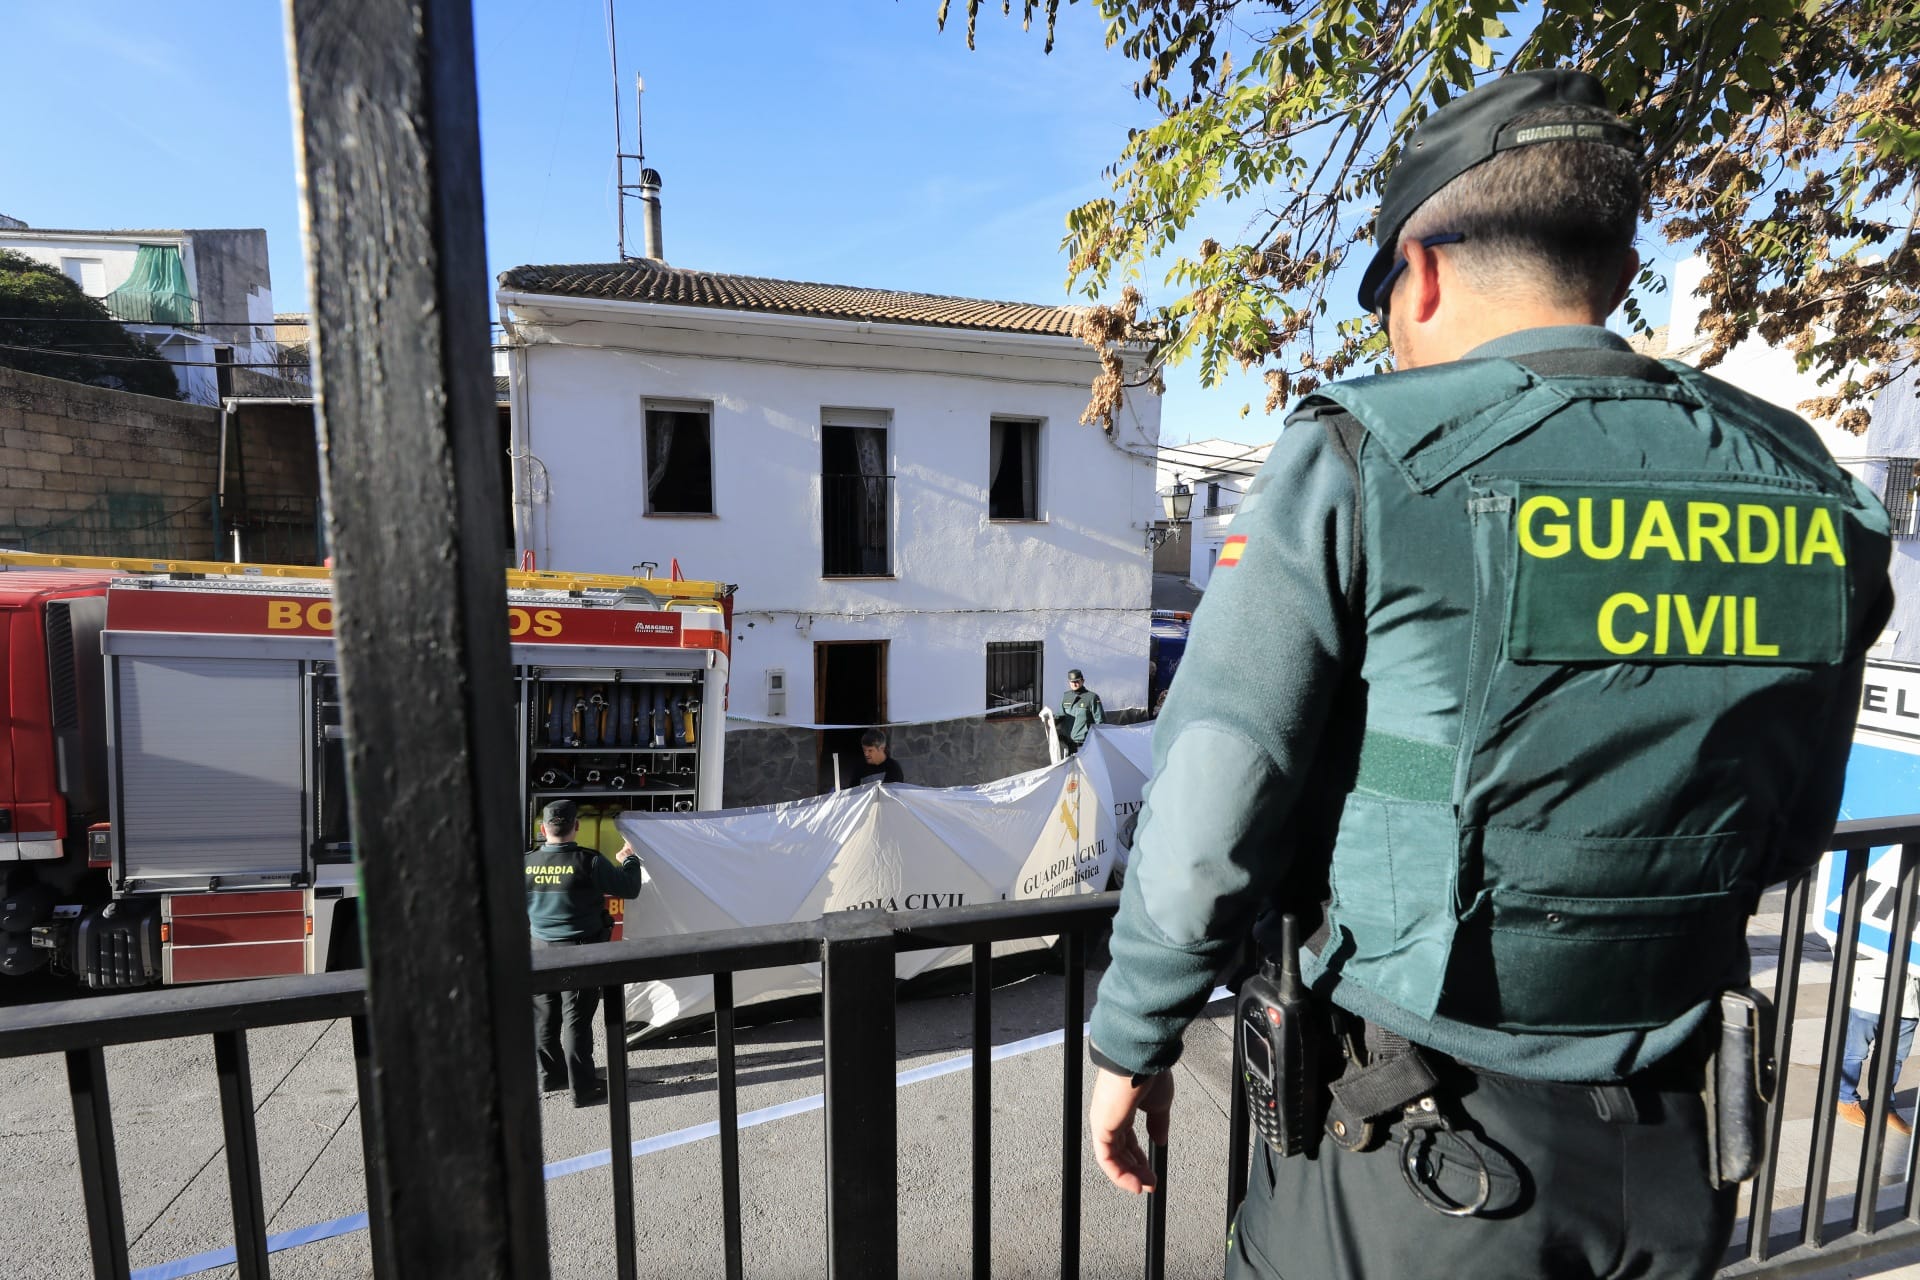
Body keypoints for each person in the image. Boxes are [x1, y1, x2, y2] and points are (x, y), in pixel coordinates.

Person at [1083, 68, 1892, 1280]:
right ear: (1617, 276)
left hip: (1427, 1152)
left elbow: (1214, 795)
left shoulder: (1367, 451)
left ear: (1420, 270)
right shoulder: (1809, 482)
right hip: (1678, 1152)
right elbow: (1790, 817)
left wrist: (1134, 1031)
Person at [526, 798, 644, 1107]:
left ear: (543, 829)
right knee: (576, 1020)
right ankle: (583, 1088)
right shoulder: (588, 861)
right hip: (580, 953)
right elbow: (629, 888)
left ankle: (550, 1076)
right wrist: (627, 859)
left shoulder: (525, 863)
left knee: (545, 1016)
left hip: (539, 950)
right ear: (576, 826)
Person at [1838, 949, 1919, 1135]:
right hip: (1871, 990)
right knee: (1855, 1052)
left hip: (1909, 999)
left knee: (1894, 1057)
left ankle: (1883, 1106)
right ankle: (1846, 1099)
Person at [1059, 668, 1104, 755]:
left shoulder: (1092, 697)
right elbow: (1061, 714)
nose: (1075, 684)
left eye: (1077, 681)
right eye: (1072, 681)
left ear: (1083, 681)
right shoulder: (1066, 696)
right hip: (1068, 744)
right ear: (1069, 682)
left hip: (1084, 745)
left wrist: (1099, 742)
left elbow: (1100, 721)